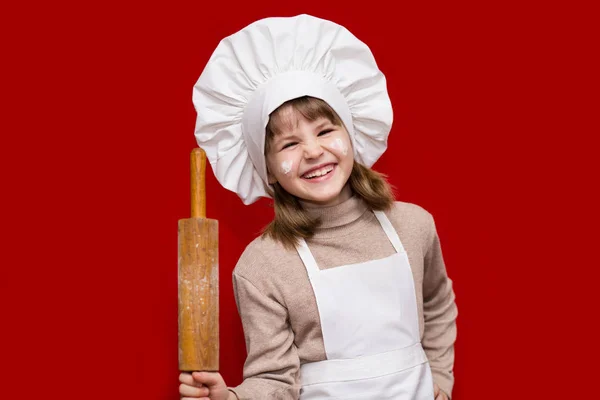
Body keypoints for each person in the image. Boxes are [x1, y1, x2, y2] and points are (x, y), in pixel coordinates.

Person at [179, 14, 458, 400]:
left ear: (352, 135)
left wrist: (440, 380)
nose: (313, 151)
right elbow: (275, 380)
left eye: (326, 131)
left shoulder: (414, 226)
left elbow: (438, 303)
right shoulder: (262, 266)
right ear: (269, 171)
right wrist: (230, 397)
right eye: (289, 144)